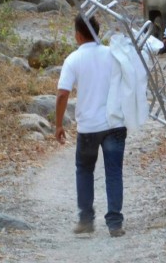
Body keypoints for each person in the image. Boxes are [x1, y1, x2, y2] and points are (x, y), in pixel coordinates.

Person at [55, 14, 127, 238]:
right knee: (114, 172)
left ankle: (86, 219)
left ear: (78, 34)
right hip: (115, 123)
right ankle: (115, 223)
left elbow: (62, 94)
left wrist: (58, 125)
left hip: (88, 127)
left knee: (84, 171)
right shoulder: (113, 55)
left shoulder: (73, 59)